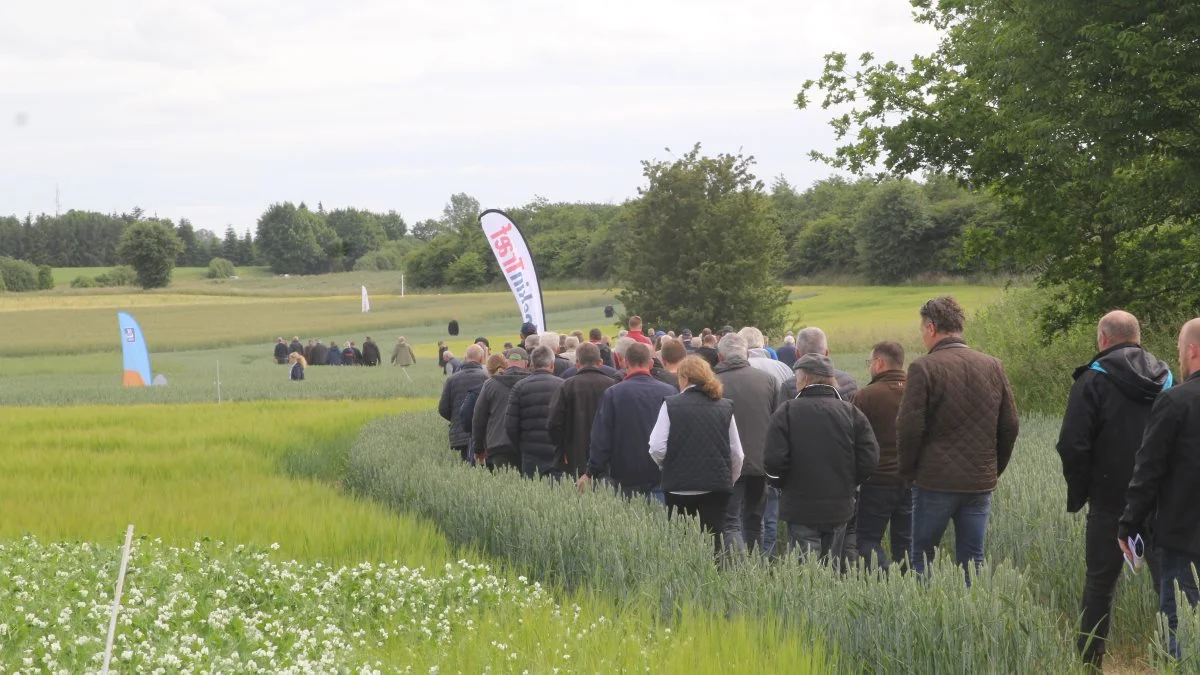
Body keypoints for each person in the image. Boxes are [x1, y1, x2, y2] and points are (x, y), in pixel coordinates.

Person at [1056, 311, 1172, 667]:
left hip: (1108, 503)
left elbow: (1072, 445)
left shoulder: (1090, 381)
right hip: (1159, 502)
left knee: (1099, 586)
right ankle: (1178, 659)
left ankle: (1090, 663)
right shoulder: (1168, 380)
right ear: (1138, 337)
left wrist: (1083, 492)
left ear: (1103, 339)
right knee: (1169, 588)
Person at [897, 296, 1019, 577]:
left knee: (922, 558)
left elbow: (909, 427)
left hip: (934, 481)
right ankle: (972, 617)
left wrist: (908, 472)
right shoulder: (993, 365)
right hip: (979, 482)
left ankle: (926, 616)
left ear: (931, 328)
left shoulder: (923, 368)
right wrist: (993, 468)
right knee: (973, 559)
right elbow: (1010, 425)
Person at [1119, 317, 1200, 661]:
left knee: (1182, 633)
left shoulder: (1176, 402)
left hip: (1183, 538)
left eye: (1181, 351)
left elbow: (1148, 470)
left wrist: (1129, 524)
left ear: (1192, 351)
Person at [765, 354, 879, 564]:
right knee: (832, 565)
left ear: (805, 379)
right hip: (840, 505)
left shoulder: (787, 412)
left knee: (805, 569)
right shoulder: (851, 412)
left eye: (798, 378)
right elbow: (870, 459)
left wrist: (782, 485)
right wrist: (850, 483)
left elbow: (773, 461)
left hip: (800, 506)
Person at [649, 356, 744, 557]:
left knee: (682, 546)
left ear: (683, 377)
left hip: (679, 488)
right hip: (716, 488)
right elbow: (737, 453)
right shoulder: (725, 406)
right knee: (714, 545)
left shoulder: (671, 404)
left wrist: (667, 466)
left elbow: (656, 447)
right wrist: (729, 479)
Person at [578, 343, 676, 501]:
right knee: (661, 523)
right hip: (661, 474)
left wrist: (591, 472)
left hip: (625, 476)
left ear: (625, 363)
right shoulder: (669, 392)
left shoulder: (613, 394)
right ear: (650, 364)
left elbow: (601, 440)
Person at [714, 332, 780, 552]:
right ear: (746, 355)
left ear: (720, 357)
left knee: (730, 522)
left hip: (727, 463)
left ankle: (738, 570)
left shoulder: (713, 382)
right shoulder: (768, 380)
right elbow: (776, 421)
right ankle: (756, 567)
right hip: (760, 463)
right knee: (755, 520)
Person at [852, 341, 912, 570]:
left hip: (877, 481)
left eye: (870, 362)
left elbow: (854, 441)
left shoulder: (866, 396)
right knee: (906, 542)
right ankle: (908, 587)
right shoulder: (917, 391)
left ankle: (884, 578)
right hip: (911, 480)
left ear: (879, 363)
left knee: (867, 539)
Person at [548, 343, 616, 477]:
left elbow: (554, 423)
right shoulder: (613, 386)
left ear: (577, 364)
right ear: (600, 362)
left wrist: (563, 448)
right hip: (607, 455)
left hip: (574, 454)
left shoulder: (566, 386)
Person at [506, 346, 566, 479]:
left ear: (532, 364)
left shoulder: (520, 387)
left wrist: (521, 446)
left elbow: (510, 425)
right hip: (557, 453)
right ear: (552, 365)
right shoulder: (563, 386)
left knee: (532, 495)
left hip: (530, 454)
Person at [472, 348, 531, 472]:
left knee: (506, 487)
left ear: (507, 363)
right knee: (531, 487)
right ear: (527, 363)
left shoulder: (490, 384)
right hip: (528, 446)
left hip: (499, 447)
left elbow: (478, 419)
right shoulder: (534, 383)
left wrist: (478, 449)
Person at [439, 344, 488, 463]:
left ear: (466, 358)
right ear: (481, 359)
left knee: (466, 465)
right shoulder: (486, 377)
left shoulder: (452, 379)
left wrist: (456, 419)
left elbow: (443, 408)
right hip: (482, 433)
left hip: (460, 432)